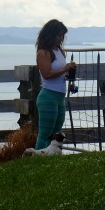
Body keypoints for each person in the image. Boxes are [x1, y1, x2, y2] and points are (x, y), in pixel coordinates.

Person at [34, 18, 77, 151]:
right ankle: (37, 160)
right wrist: (65, 68)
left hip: (59, 96)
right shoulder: (43, 52)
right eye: (59, 35)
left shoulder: (59, 51)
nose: (61, 38)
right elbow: (47, 74)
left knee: (56, 134)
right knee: (45, 134)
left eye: (62, 35)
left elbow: (58, 73)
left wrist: (69, 75)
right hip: (48, 96)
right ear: (50, 34)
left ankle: (51, 159)